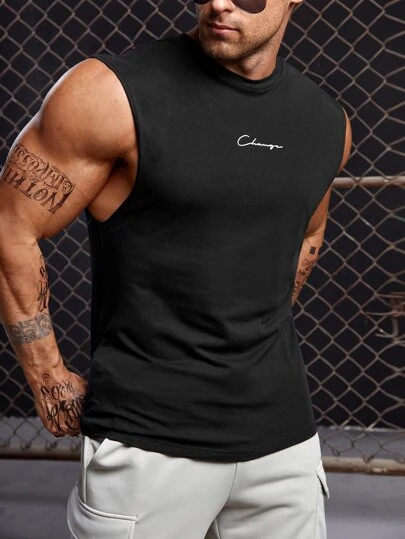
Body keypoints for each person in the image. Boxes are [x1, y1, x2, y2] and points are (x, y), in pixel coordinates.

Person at [0, 0, 352, 537]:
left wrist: (249, 332)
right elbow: (10, 227)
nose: (219, 3)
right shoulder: (110, 93)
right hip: (148, 444)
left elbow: (306, 235)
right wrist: (47, 376)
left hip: (283, 443)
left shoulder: (324, 121)